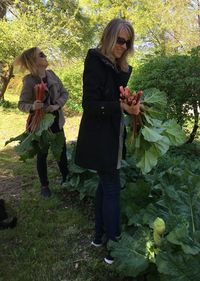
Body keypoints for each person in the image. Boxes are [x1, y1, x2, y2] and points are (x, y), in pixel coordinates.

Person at [75, 18, 140, 264]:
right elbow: (90, 105)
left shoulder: (117, 66)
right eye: (120, 40)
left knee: (105, 185)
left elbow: (116, 99)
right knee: (112, 187)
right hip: (101, 139)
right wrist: (121, 106)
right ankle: (115, 247)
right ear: (109, 37)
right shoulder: (95, 61)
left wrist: (130, 103)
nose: (124, 46)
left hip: (112, 135)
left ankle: (98, 237)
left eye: (128, 42)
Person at [15, 47, 69, 197]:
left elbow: (65, 93)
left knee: (61, 152)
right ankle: (44, 185)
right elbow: (21, 104)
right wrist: (32, 107)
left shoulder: (51, 74)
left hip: (57, 121)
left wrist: (57, 104)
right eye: (41, 55)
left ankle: (66, 179)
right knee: (42, 154)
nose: (45, 56)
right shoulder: (29, 80)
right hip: (40, 124)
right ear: (34, 61)